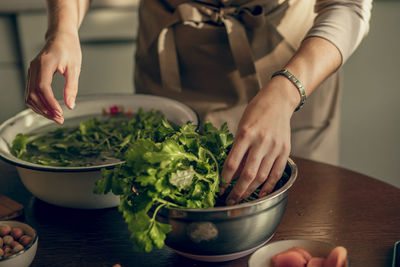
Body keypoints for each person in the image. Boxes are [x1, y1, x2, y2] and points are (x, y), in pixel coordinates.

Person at [24, 0, 372, 205]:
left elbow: (348, 4)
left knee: (299, 210)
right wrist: (63, 30)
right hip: (175, 59)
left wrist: (287, 91)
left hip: (295, 67)